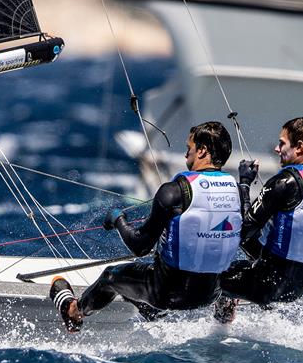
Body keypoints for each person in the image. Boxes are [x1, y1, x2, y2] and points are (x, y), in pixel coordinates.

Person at [49, 121, 242, 332]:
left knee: (111, 277)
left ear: (202, 151)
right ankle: (223, 309)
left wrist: (118, 220)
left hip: (167, 295)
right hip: (209, 294)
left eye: (189, 148)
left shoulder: (173, 192)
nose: (186, 154)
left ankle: (73, 312)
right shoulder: (236, 192)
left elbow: (140, 246)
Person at [212, 116, 303, 323]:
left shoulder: (285, 181)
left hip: (269, 282)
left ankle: (219, 332)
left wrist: (244, 183)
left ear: (299, 147)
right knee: (265, 250)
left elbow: (244, 230)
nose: (277, 149)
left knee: (209, 277)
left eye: (282, 143)